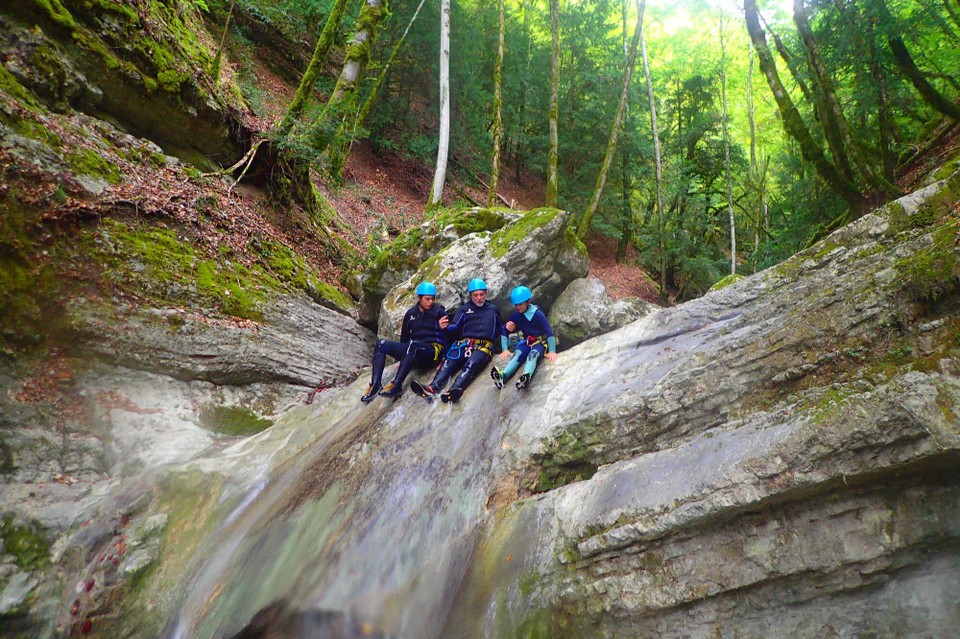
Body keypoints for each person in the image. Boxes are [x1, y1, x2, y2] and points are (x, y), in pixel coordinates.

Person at [410, 278, 503, 404]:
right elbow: (454, 326)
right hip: (464, 344)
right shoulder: (464, 309)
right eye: (476, 295)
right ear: (470, 295)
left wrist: (506, 346)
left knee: (471, 364)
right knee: (449, 361)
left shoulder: (493, 309)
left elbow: (501, 329)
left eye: (482, 294)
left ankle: (454, 390)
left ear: (486, 294)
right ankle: (433, 388)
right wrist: (443, 327)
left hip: (484, 347)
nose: (479, 298)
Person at [361, 281, 448, 402]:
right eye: (427, 299)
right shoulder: (411, 314)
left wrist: (445, 358)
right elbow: (404, 338)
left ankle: (396, 385)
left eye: (432, 299)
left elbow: (448, 336)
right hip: (413, 352)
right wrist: (403, 358)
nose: (430, 302)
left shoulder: (439, 312)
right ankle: (375, 385)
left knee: (413, 345)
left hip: (432, 353)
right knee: (381, 344)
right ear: (419, 298)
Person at [491, 285, 557, 390]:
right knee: (518, 354)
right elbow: (505, 330)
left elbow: (549, 332)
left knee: (533, 355)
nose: (518, 307)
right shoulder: (516, 315)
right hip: (527, 342)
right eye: (516, 305)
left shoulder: (537, 314)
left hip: (540, 343)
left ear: (528, 302)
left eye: (520, 304)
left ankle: (526, 375)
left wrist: (552, 350)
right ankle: (503, 375)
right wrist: (505, 349)